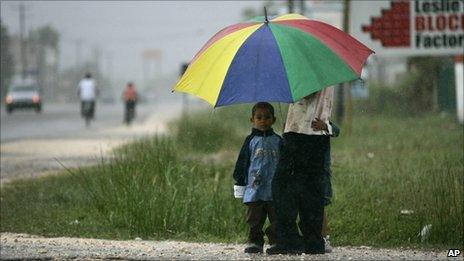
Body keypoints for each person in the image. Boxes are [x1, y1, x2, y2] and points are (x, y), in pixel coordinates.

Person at [267, 87, 334, 255]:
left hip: (301, 133)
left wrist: (290, 88)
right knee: (311, 190)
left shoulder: (307, 66)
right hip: (317, 134)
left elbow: (306, 91)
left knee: (283, 188)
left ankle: (290, 240)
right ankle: (313, 241)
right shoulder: (323, 66)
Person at [233, 102, 282, 254]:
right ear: (252, 120)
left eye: (267, 117)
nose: (263, 121)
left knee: (277, 217)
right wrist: (240, 182)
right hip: (254, 189)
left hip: (275, 189)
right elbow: (242, 163)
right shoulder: (250, 141)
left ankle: (275, 242)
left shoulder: (279, 141)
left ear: (273, 120)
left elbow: (285, 163)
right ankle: (255, 241)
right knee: (254, 218)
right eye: (259, 117)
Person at [310, 118, 340, 253]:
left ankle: (324, 237)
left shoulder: (322, 119)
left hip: (320, 169)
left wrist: (325, 126)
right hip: (303, 169)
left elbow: (336, 131)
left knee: (320, 206)